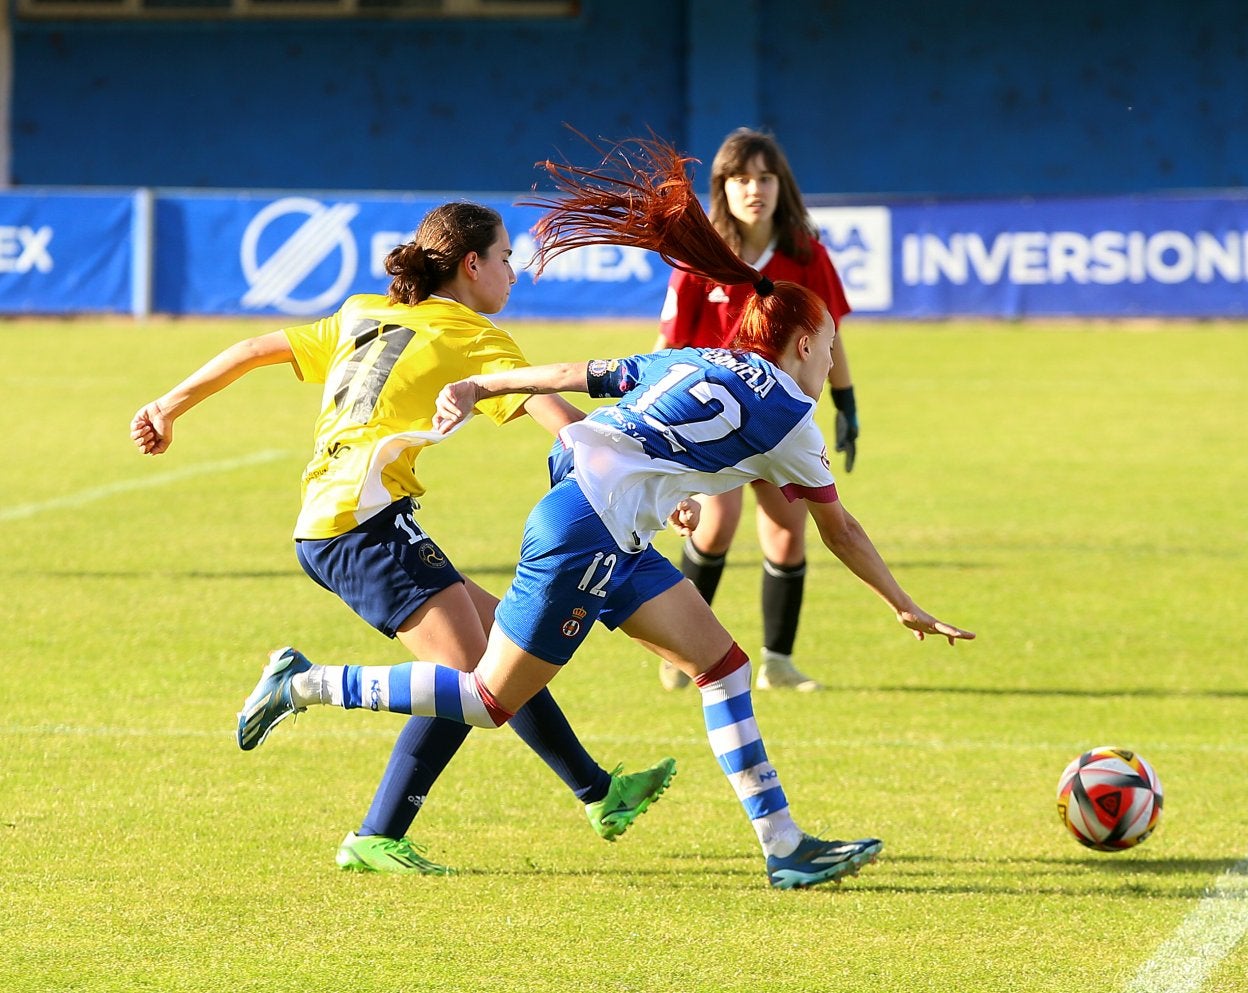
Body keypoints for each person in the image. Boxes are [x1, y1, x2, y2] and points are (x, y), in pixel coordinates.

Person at [233, 137, 974, 889]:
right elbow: (838, 529)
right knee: (488, 698)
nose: (830, 366)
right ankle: (303, 684)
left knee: (722, 666)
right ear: (804, 344)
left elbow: (577, 376)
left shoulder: (702, 356)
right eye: (830, 351)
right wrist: (904, 604)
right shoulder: (792, 418)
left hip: (602, 518)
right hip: (587, 532)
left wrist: (489, 390)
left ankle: (783, 845)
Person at [130, 201, 675, 876]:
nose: (514, 272)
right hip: (360, 525)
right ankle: (369, 822)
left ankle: (598, 792)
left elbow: (251, 350)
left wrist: (167, 405)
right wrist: (642, 477)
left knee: (504, 643)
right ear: (472, 265)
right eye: (507, 258)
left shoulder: (363, 309)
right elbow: (558, 415)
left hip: (343, 517)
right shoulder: (475, 337)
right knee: (467, 679)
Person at [654, 128, 858, 692]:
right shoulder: (702, 257)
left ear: (780, 185)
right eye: (741, 178)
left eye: (765, 177)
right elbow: (665, 349)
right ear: (723, 186)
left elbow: (830, 332)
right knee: (714, 529)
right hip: (713, 421)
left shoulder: (806, 256)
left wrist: (846, 402)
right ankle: (679, 653)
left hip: (782, 422)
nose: (754, 189)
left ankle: (779, 662)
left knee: (789, 535)